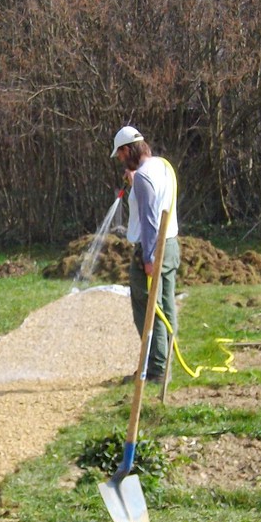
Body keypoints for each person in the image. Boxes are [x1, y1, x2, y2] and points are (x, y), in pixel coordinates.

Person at [112, 125, 179, 381]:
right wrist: (135, 182)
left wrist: (149, 258)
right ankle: (165, 362)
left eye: (119, 154)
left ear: (128, 150)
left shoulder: (142, 177)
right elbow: (157, 199)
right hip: (171, 243)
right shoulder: (162, 166)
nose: (119, 159)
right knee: (167, 306)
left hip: (152, 248)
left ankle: (156, 371)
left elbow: (150, 219)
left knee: (149, 307)